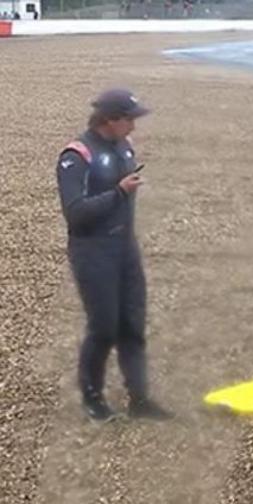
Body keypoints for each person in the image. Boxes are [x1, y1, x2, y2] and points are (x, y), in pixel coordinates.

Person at [56, 89, 171, 422]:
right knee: (104, 326)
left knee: (133, 324)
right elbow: (75, 213)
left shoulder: (124, 146)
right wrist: (119, 193)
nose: (134, 126)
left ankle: (140, 399)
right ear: (110, 119)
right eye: (129, 119)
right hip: (92, 250)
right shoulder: (76, 155)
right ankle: (92, 397)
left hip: (125, 248)